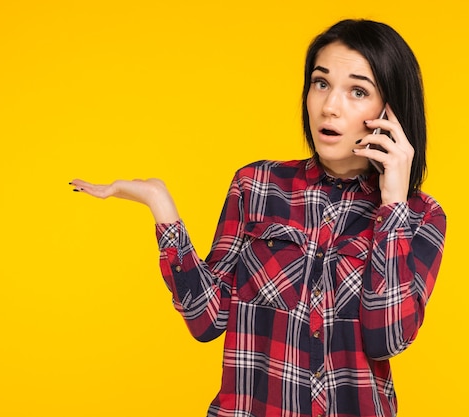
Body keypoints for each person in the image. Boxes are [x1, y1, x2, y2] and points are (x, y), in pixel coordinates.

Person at [70, 19, 446, 417]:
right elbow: (206, 319)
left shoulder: (422, 217)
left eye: (357, 91)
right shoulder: (258, 184)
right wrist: (162, 209)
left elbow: (386, 338)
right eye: (321, 83)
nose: (330, 106)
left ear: (391, 110)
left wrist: (392, 204)